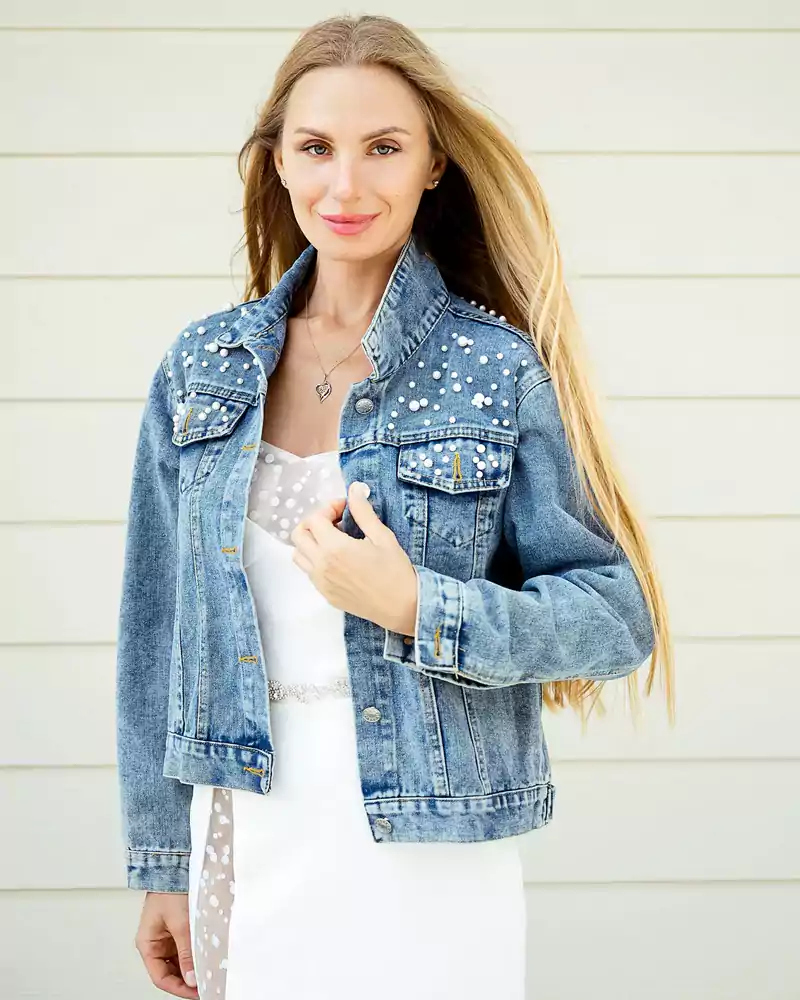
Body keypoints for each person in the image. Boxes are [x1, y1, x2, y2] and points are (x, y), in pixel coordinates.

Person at [116, 13, 674, 1000]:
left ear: (432, 164)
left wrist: (419, 605)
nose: (344, 185)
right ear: (277, 160)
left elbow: (615, 618)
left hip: (432, 847)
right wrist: (162, 861)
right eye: (315, 148)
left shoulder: (493, 368)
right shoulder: (203, 368)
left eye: (382, 147)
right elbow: (155, 633)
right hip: (242, 829)